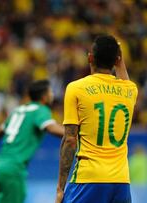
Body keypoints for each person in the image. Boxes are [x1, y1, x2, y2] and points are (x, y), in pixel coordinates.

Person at [56, 35, 138, 203]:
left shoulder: (76, 88)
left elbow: (70, 140)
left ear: (90, 58)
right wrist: (119, 60)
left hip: (88, 179)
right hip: (121, 182)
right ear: (117, 59)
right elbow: (125, 81)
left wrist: (60, 187)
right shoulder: (130, 90)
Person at [0, 79, 64, 203]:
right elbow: (50, 127)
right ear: (44, 96)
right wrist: (76, 134)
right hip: (13, 170)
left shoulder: (18, 110)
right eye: (50, 91)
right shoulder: (41, 110)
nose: (52, 94)